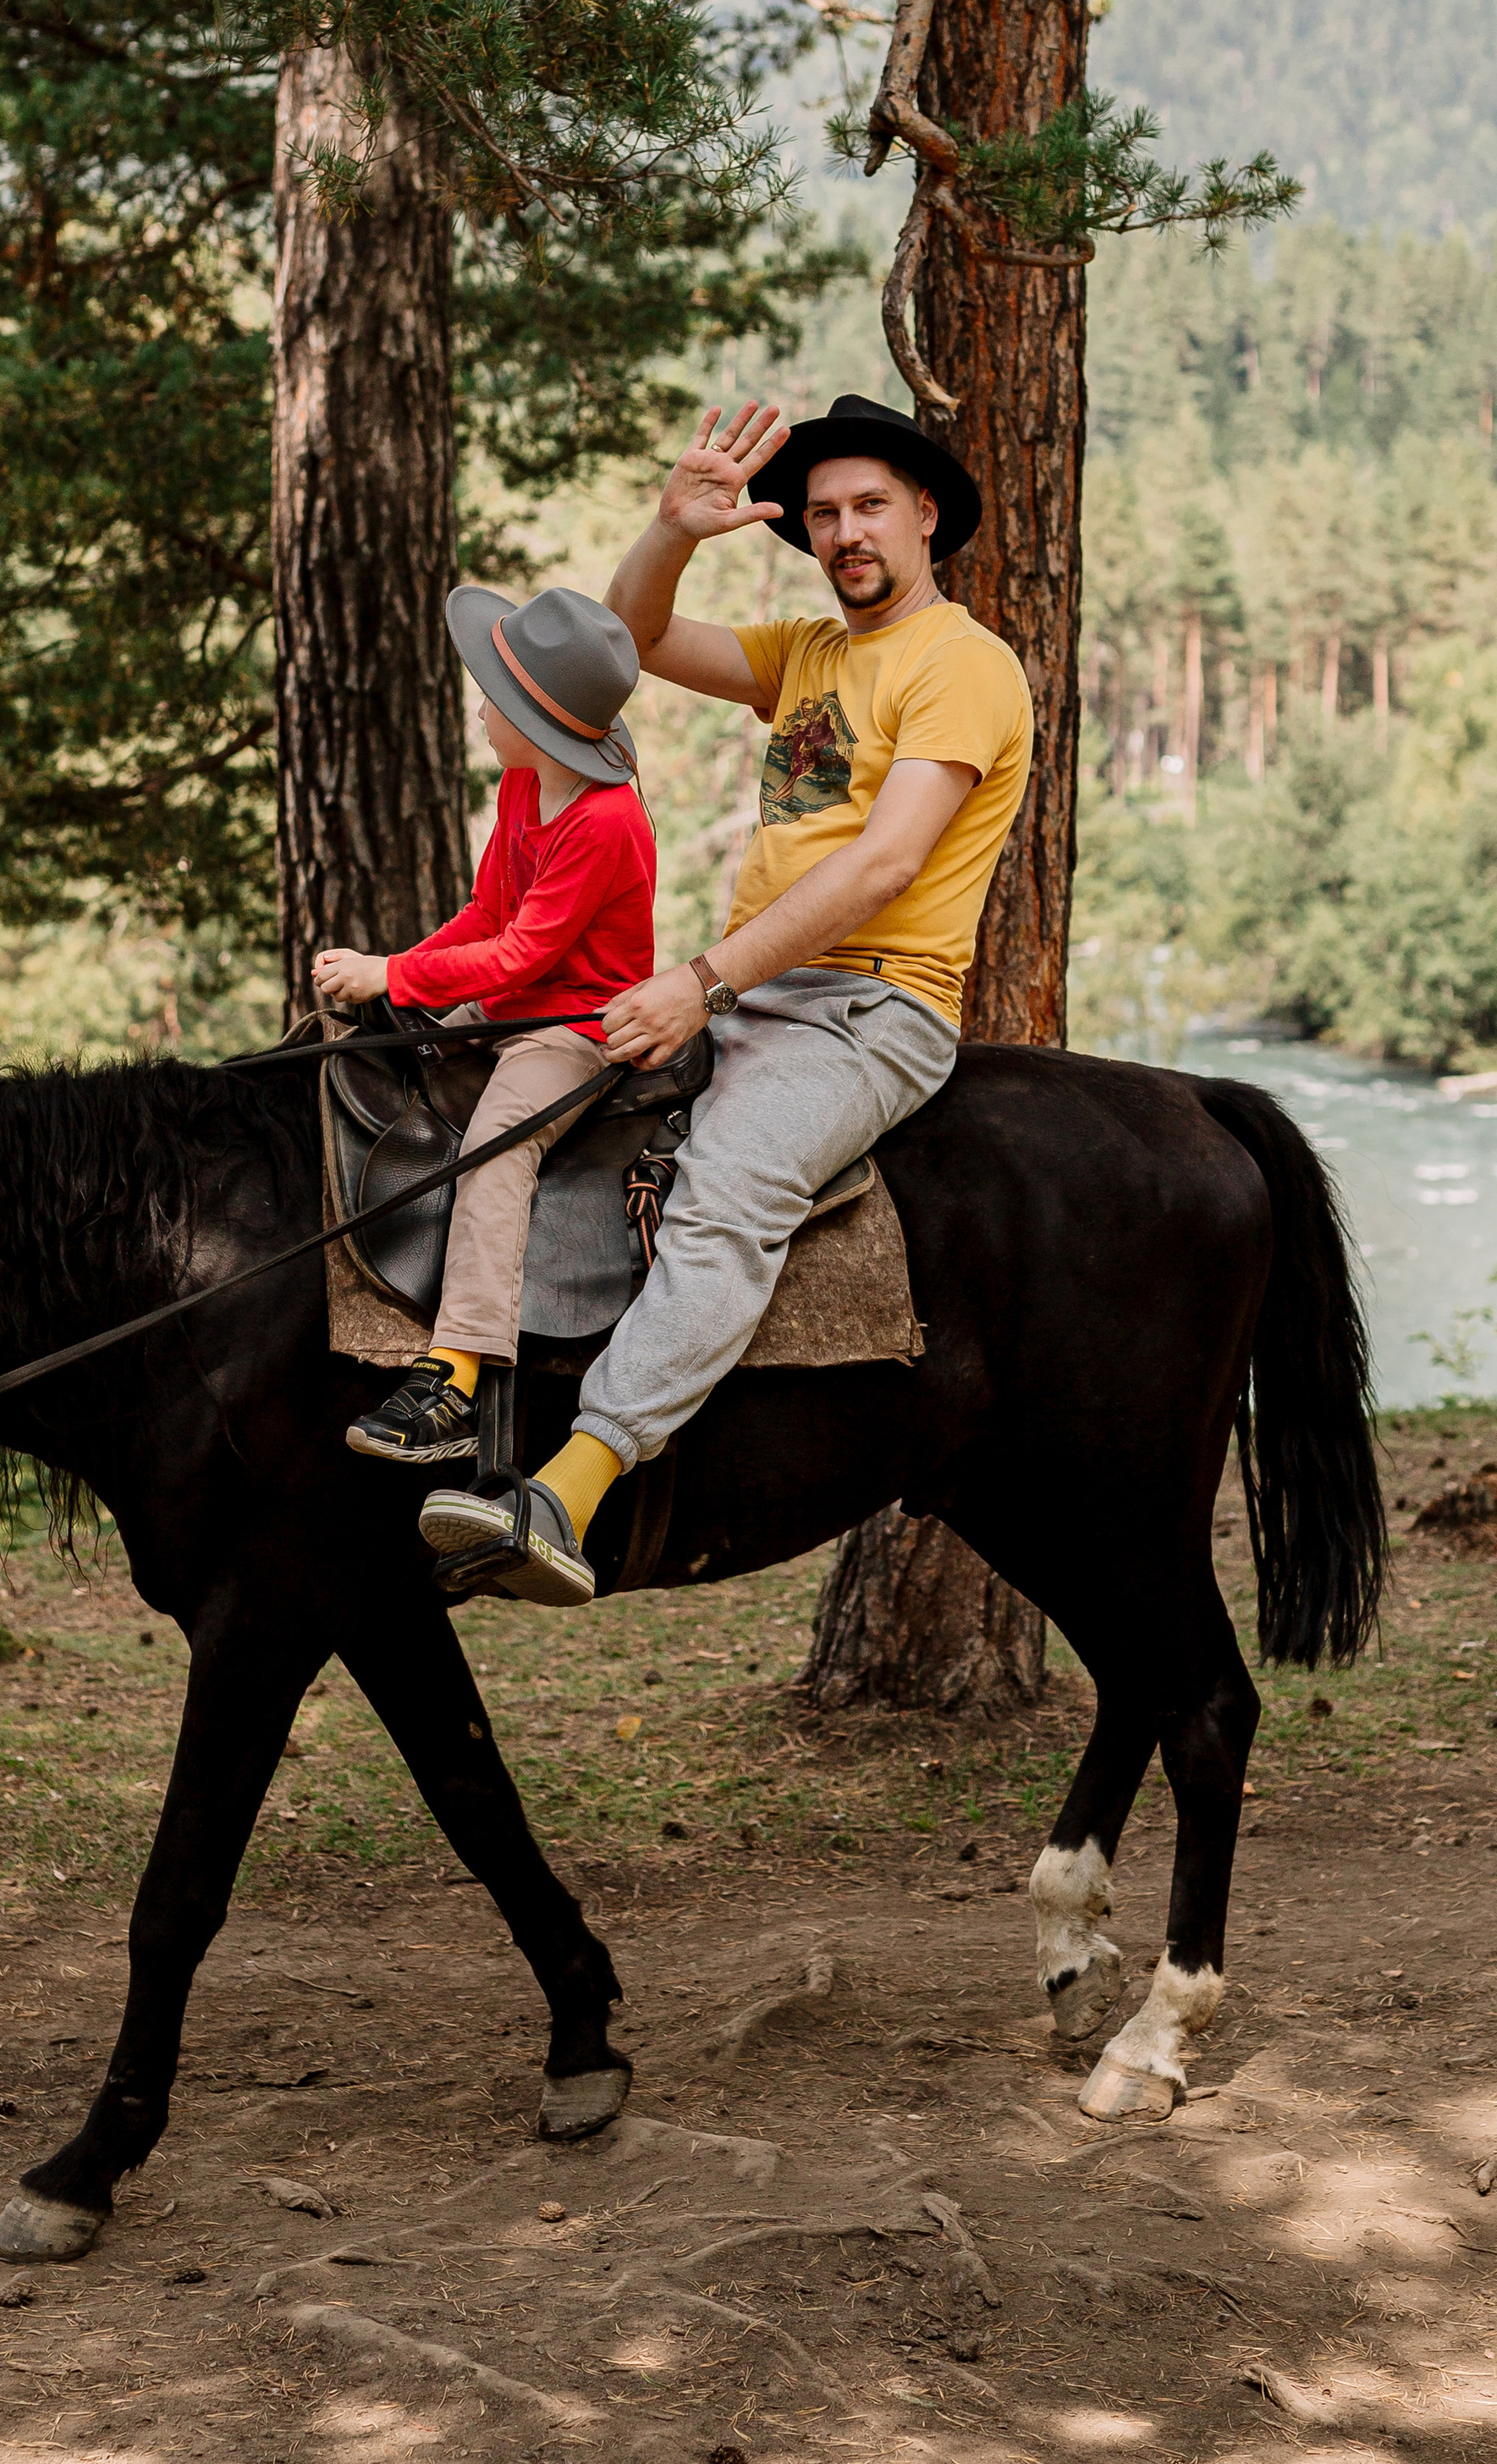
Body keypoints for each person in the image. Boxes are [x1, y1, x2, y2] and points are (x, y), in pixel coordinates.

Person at [415, 389, 1035, 1607]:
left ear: (924, 516)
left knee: (728, 1194)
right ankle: (448, 1388)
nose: (847, 530)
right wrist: (674, 532)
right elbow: (633, 641)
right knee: (523, 1097)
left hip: (870, 1010)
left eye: (870, 507)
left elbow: (884, 864)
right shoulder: (808, 653)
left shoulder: (962, 664)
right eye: (823, 513)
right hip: (756, 989)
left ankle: (568, 1488)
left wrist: (701, 981)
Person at [312, 584, 657, 1583]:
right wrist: (397, 974)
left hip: (576, 1025)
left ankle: (454, 1374)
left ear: (539, 719)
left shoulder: (602, 822)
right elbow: (483, 914)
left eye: (491, 692)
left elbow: (522, 957)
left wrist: (394, 976)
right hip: (512, 999)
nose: (475, 703)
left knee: (495, 1152)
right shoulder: (522, 788)